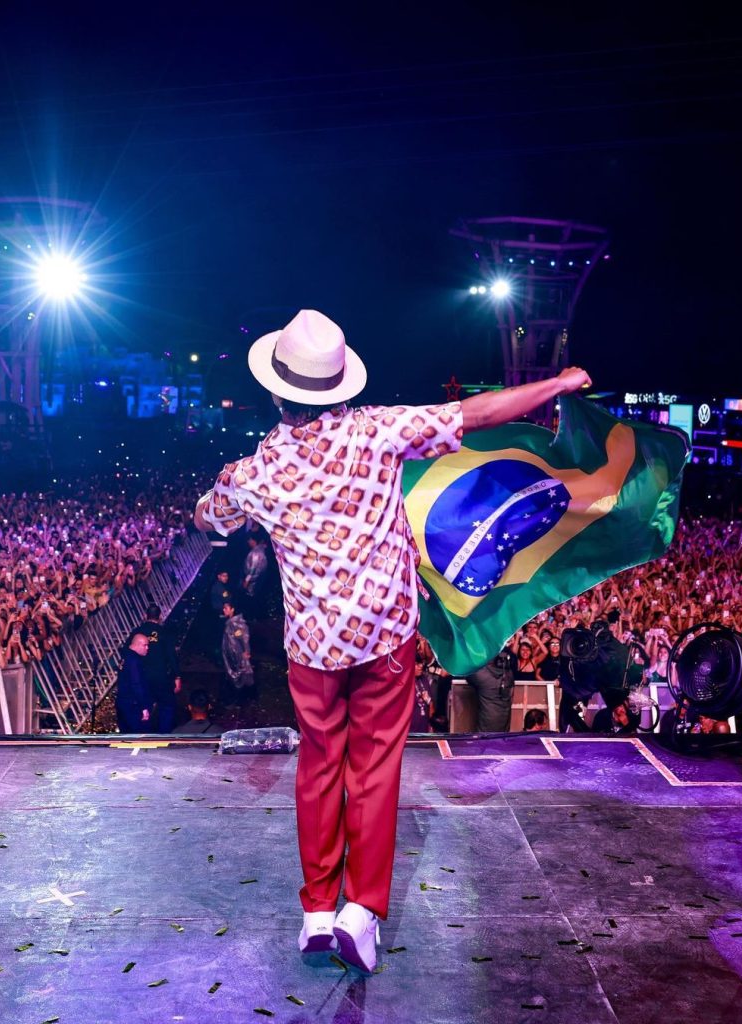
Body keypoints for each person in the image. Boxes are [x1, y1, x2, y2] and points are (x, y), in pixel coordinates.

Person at [194, 308, 591, 972]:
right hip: (383, 641)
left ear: (275, 391)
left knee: (320, 769)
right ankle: (361, 912)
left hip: (313, 652)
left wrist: (222, 497)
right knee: (372, 772)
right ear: (340, 384)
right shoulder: (377, 431)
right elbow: (481, 413)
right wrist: (555, 385)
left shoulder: (251, 473)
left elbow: (211, 522)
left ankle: (317, 913)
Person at [133, 603, 182, 733]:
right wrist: (177, 676)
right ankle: (164, 735)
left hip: (142, 677)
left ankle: (144, 736)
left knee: (144, 707)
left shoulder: (137, 632)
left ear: (145, 616)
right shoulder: (164, 632)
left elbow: (129, 655)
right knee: (166, 706)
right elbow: (172, 655)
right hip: (162, 677)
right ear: (160, 617)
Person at [466, 648, 516, 733]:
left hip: (486, 728)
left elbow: (466, 670)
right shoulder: (509, 675)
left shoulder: (482, 675)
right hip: (504, 726)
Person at [114, 632, 152, 733]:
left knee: (125, 737)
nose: (147, 648)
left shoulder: (125, 656)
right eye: (145, 645)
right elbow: (136, 684)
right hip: (133, 705)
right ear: (137, 644)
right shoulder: (134, 661)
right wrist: (143, 707)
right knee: (138, 735)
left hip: (122, 702)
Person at [221, 599, 254, 706]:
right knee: (237, 676)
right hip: (233, 656)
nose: (224, 610)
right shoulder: (230, 622)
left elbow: (244, 638)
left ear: (232, 610)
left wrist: (246, 651)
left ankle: (243, 700)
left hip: (238, 656)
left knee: (240, 676)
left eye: (226, 608)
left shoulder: (236, 624)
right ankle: (244, 699)